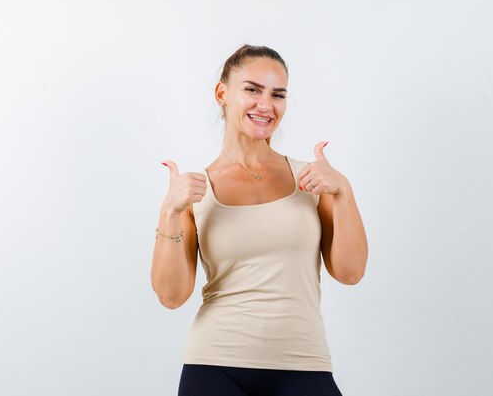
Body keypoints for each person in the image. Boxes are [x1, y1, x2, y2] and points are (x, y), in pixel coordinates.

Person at [151, 44, 368, 396]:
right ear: (223, 93)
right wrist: (169, 212)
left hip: (303, 363)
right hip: (214, 366)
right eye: (252, 89)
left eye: (277, 94)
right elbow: (171, 296)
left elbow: (351, 272)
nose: (265, 105)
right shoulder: (194, 192)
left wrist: (343, 191)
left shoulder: (313, 180)